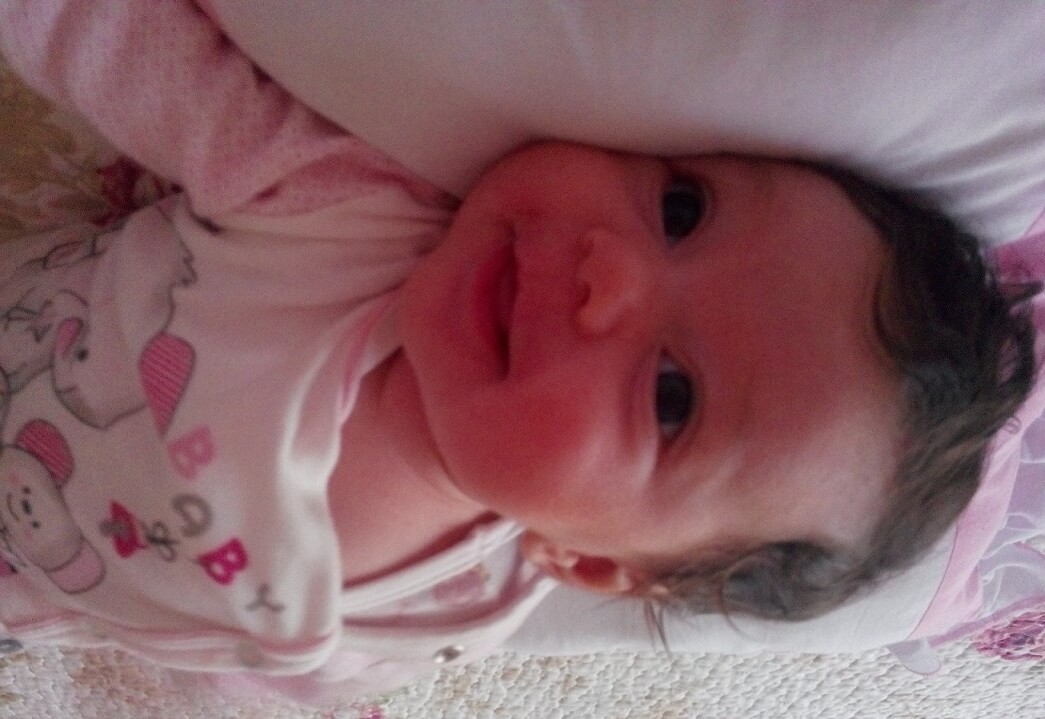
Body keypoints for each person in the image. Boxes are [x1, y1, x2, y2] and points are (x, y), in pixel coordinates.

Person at [0, 0, 1039, 704]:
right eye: (680, 209)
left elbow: (290, 661)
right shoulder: (332, 210)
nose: (607, 275)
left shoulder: (459, 608)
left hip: (44, 586)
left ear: (581, 561)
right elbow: (110, 39)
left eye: (670, 397)